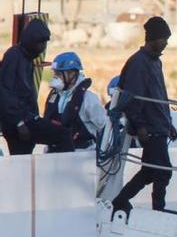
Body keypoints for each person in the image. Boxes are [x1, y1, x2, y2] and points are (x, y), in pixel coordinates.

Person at [112, 17, 177, 213]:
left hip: (159, 126)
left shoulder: (155, 63)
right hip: (149, 128)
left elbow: (161, 97)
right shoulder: (138, 63)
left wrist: (169, 124)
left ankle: (119, 201)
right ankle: (159, 211)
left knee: (149, 171)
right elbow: (133, 98)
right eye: (163, 38)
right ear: (152, 38)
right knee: (163, 172)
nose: (166, 42)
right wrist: (140, 125)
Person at [0, 19, 74, 155]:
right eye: (40, 43)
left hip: (26, 118)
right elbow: (5, 93)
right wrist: (19, 123)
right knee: (63, 136)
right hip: (20, 122)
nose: (43, 47)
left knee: (23, 162)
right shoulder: (14, 56)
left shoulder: (26, 59)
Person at [44, 52, 107, 153]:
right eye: (54, 73)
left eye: (59, 74)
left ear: (72, 73)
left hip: (82, 154)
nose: (55, 77)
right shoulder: (54, 96)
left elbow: (105, 126)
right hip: (56, 153)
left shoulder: (88, 99)